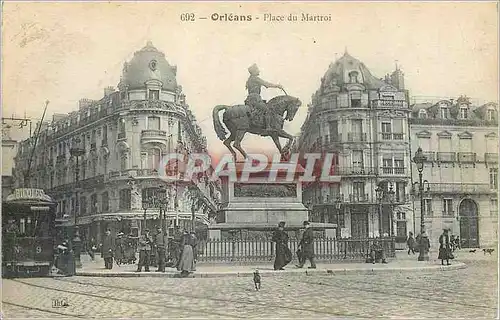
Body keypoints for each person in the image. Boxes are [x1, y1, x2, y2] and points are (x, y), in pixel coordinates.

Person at [245, 63, 284, 132]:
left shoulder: (250, 79)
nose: (259, 71)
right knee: (267, 110)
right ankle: (268, 127)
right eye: (257, 70)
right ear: (254, 71)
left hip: (250, 98)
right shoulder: (255, 78)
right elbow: (267, 84)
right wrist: (277, 86)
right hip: (255, 98)